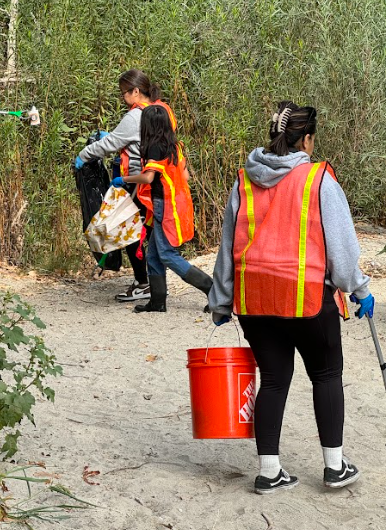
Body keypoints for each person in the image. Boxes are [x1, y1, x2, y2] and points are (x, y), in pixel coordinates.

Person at [208, 100, 374, 494]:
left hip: (255, 300)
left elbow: (228, 245)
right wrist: (360, 289)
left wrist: (220, 300)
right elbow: (342, 250)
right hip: (306, 298)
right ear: (308, 139)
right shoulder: (319, 180)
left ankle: (269, 473)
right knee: (327, 373)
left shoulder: (244, 180)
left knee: (275, 379)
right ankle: (335, 468)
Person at [75, 69, 177, 302]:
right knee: (145, 234)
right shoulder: (162, 110)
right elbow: (131, 139)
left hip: (139, 184)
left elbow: (110, 144)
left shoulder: (135, 116)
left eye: (124, 93)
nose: (123, 98)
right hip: (161, 183)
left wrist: (84, 154)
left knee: (132, 234)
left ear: (136, 91)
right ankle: (151, 283)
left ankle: (144, 284)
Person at [111, 104, 214, 313]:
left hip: (165, 204)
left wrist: (124, 179)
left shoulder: (155, 147)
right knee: (154, 256)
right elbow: (185, 177)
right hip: (175, 201)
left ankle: (213, 290)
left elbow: (148, 177)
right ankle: (157, 302)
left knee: (167, 254)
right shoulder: (174, 145)